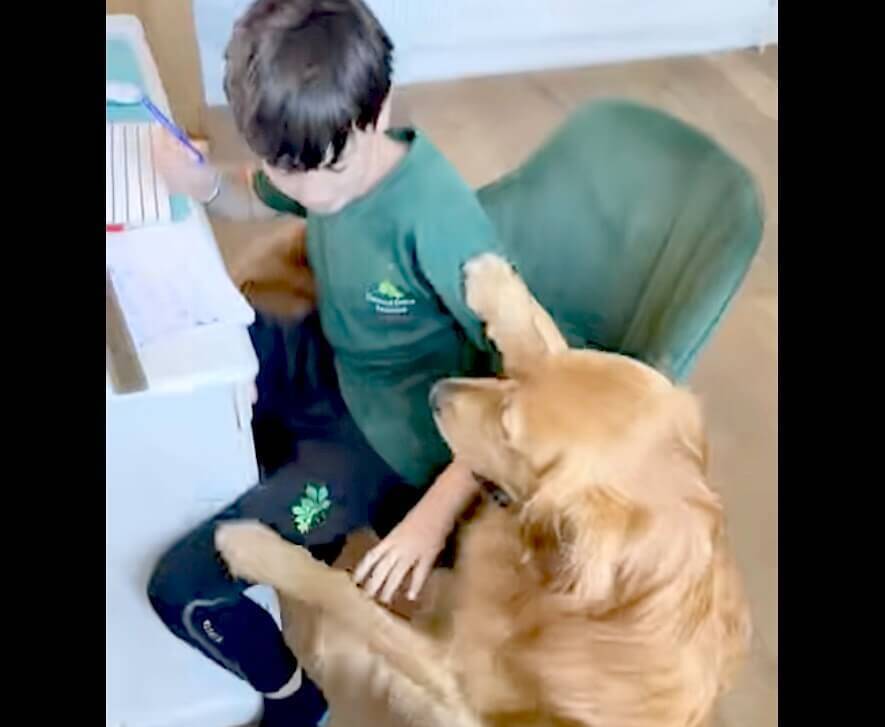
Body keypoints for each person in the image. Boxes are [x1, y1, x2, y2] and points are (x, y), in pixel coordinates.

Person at [146, 1, 505, 724]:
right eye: (289, 170)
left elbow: (516, 387)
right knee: (172, 355)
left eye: (327, 169)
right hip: (326, 361)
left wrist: (433, 516)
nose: (312, 194)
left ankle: (294, 699)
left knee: (181, 586)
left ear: (378, 110)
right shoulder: (319, 151)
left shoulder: (437, 220)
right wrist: (203, 182)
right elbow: (257, 193)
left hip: (387, 445)